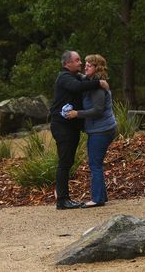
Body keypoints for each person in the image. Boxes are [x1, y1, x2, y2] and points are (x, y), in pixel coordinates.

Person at [50, 51, 108, 210]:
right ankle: (62, 200)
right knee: (65, 162)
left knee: (68, 162)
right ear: (67, 64)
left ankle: (64, 197)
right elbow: (77, 87)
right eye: (77, 60)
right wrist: (99, 83)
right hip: (62, 127)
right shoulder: (64, 78)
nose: (80, 63)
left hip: (71, 127)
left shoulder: (75, 76)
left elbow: (84, 80)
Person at [66, 54, 116, 208]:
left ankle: (97, 198)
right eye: (85, 63)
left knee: (95, 164)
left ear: (97, 68)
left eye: (89, 64)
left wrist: (77, 114)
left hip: (102, 130)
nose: (85, 66)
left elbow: (98, 110)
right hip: (98, 129)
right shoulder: (91, 81)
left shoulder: (97, 88)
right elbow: (81, 77)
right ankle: (101, 196)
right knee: (96, 163)